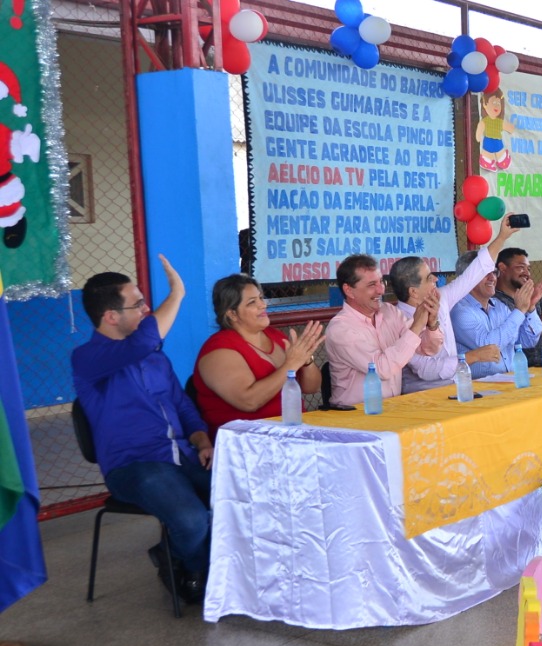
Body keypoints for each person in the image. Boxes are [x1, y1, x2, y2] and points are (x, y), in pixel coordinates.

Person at [71, 256, 213, 603]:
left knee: (243, 498)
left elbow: (181, 405)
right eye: (138, 304)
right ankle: (188, 566)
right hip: (135, 465)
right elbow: (141, 343)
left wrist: (202, 439)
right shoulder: (87, 358)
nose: (147, 309)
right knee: (193, 521)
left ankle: (176, 553)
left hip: (184, 455)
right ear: (110, 317)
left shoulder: (155, 357)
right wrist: (176, 294)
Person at [192, 274, 324, 439]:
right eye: (252, 302)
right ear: (232, 314)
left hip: (292, 434)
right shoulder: (218, 351)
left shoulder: (275, 336)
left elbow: (311, 388)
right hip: (247, 443)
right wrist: (291, 364)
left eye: (261, 298)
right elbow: (249, 401)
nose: (263, 305)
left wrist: (306, 361)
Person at [387, 236, 517, 392]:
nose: (436, 278)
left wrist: (502, 235)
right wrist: (472, 357)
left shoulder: (440, 298)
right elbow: (426, 370)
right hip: (422, 397)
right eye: (429, 278)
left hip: (456, 387)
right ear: (414, 292)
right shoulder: (396, 320)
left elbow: (474, 273)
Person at [325, 254, 438, 407]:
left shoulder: (389, 311)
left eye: (381, 282)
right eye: (372, 285)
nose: (381, 290)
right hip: (354, 417)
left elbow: (428, 349)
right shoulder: (340, 329)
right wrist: (417, 326)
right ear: (349, 290)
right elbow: (382, 369)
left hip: (391, 409)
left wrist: (431, 325)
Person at [451, 249, 542, 379]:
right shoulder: (459, 311)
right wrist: (519, 311)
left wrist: (530, 308)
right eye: (485, 273)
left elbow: (527, 341)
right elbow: (489, 346)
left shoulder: (500, 306)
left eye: (494, 272)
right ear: (467, 277)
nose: (492, 278)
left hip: (510, 380)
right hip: (479, 386)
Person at [494, 247, 542, 368]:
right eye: (520, 267)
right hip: (522, 369)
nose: (527, 273)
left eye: (528, 269)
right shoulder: (495, 301)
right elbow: (519, 338)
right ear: (502, 268)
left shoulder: (533, 296)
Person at [476, 88, 514, 172]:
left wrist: (512, 128)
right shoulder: (485, 121)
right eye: (493, 102)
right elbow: (480, 127)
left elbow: (509, 128)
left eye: (498, 103)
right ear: (485, 105)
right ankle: (486, 161)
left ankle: (502, 160)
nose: (496, 106)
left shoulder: (499, 122)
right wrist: (478, 136)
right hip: (488, 140)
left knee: (500, 153)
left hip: (498, 142)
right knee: (487, 153)